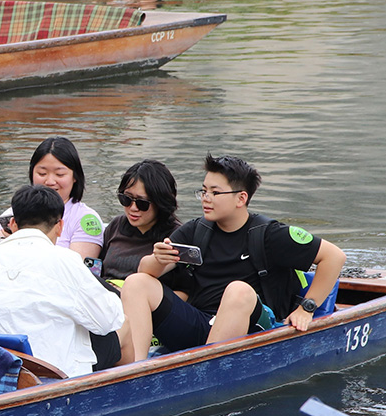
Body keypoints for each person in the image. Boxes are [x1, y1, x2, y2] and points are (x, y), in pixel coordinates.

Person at [118, 155, 347, 364]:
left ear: (241, 198)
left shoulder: (270, 234)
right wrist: (158, 258)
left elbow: (334, 257)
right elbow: (145, 271)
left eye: (215, 193)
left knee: (238, 290)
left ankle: (207, 372)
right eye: (204, 191)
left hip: (254, 327)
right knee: (136, 283)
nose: (206, 198)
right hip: (202, 323)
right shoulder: (194, 231)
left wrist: (306, 308)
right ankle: (133, 372)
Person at [0, 184, 125, 377]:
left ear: (12, 225)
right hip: (54, 372)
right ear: (59, 226)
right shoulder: (65, 260)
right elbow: (108, 320)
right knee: (123, 324)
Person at [0, 137, 105, 260]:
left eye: (59, 174)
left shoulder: (86, 219)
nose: (50, 181)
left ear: (75, 177)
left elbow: (77, 270)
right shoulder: (15, 211)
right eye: (42, 173)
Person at [99, 159, 181, 281]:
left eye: (142, 203)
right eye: (126, 199)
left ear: (160, 203)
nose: (133, 208)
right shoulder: (116, 225)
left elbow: (183, 290)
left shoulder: (176, 237)